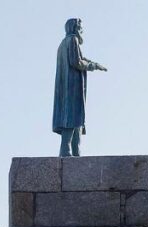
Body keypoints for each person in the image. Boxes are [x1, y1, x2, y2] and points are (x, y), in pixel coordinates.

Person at [52, 17, 107, 157]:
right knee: (71, 117)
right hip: (71, 87)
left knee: (77, 120)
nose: (82, 30)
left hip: (70, 87)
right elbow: (76, 62)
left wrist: (94, 63)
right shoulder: (72, 40)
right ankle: (66, 150)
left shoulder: (64, 44)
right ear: (76, 28)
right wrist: (93, 66)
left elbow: (81, 58)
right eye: (81, 28)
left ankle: (76, 151)